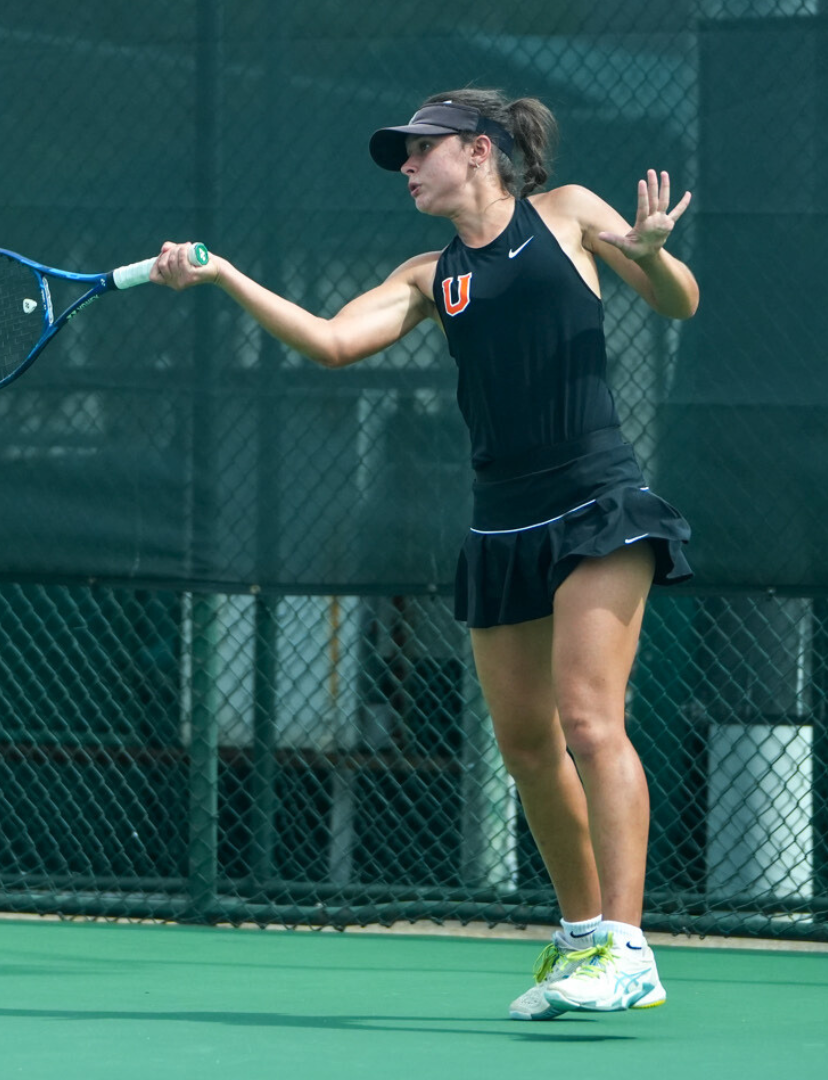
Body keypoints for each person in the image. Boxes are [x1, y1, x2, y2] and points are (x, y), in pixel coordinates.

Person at [150, 88, 698, 1019]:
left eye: (420, 150)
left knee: (588, 719)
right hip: (501, 520)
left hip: (597, 501)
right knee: (526, 746)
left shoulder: (569, 216)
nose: (406, 167)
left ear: (480, 151)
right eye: (401, 155)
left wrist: (651, 255)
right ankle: (577, 942)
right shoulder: (425, 276)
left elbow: (676, 303)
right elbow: (330, 342)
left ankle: (629, 947)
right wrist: (225, 277)